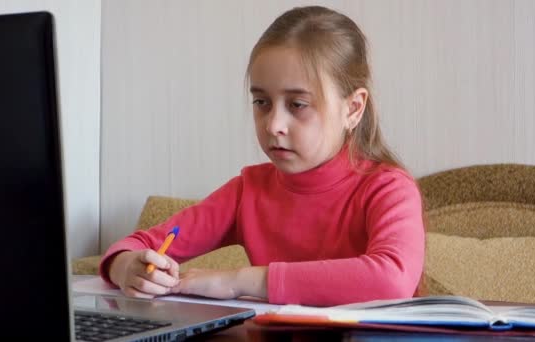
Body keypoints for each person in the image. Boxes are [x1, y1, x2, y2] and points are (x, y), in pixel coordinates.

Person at [100, 5, 425, 307]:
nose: (274, 125)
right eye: (261, 102)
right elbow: (140, 244)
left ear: (353, 109)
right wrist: (127, 266)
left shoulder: (388, 188)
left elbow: (391, 279)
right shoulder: (247, 190)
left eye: (298, 105)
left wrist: (242, 280)